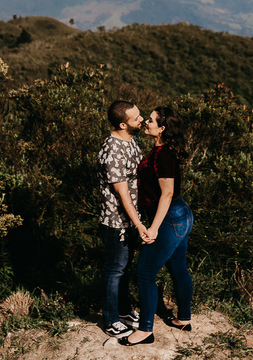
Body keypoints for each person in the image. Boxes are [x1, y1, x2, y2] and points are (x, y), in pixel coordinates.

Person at [120, 106, 193, 346]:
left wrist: (153, 229)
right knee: (178, 269)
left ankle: (145, 331)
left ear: (162, 128)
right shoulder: (161, 150)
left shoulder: (162, 155)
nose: (146, 122)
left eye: (151, 120)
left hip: (170, 218)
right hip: (180, 215)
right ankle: (183, 319)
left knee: (145, 272)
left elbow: (167, 193)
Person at [97, 100, 151, 339]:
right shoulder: (112, 151)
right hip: (117, 221)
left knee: (124, 268)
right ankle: (110, 320)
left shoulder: (131, 139)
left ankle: (124, 311)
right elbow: (122, 194)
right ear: (122, 124)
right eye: (136, 118)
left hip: (131, 219)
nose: (141, 120)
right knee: (114, 270)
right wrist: (138, 224)